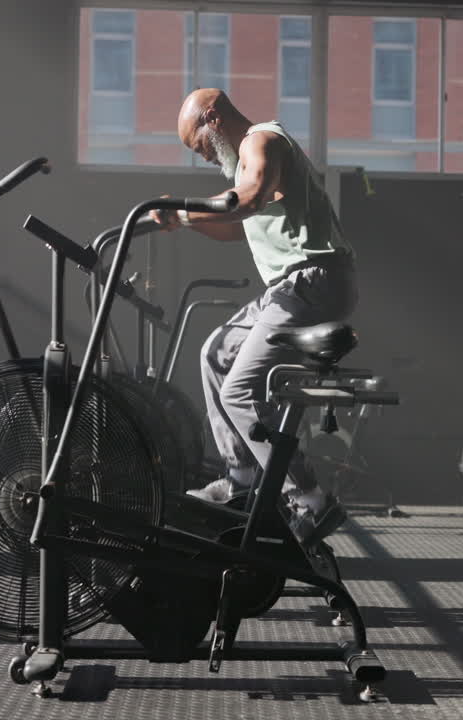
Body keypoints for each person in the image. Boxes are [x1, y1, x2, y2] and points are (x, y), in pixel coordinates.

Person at [148, 88, 356, 546]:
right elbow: (234, 222)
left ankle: (310, 499)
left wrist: (184, 208)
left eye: (199, 146)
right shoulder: (244, 162)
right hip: (288, 288)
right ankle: (242, 476)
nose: (203, 158)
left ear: (213, 119)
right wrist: (183, 219)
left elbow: (251, 197)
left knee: (240, 389)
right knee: (215, 354)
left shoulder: (261, 142)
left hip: (314, 282)